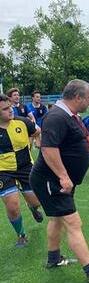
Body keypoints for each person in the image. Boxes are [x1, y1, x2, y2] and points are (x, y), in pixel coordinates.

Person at [29, 80, 89, 283]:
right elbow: (48, 149)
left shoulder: (72, 115)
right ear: (78, 97)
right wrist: (63, 177)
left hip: (58, 181)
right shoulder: (56, 117)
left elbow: (86, 138)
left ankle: (53, 259)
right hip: (51, 181)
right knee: (73, 222)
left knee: (56, 219)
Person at [0, 93, 43, 247]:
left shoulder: (23, 122)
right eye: (5, 109)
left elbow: (37, 131)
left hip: (25, 167)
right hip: (3, 171)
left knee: (36, 201)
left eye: (10, 106)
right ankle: (21, 234)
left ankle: (32, 207)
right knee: (12, 206)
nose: (10, 110)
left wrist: (37, 141)